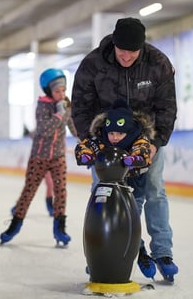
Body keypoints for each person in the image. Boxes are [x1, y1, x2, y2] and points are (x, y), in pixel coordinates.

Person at [71, 17, 179, 282]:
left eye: (133, 51)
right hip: (108, 140)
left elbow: (167, 107)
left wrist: (156, 143)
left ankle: (163, 252)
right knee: (103, 193)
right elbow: (80, 107)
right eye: (122, 51)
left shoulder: (158, 64)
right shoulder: (93, 65)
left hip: (147, 138)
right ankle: (99, 253)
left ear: (141, 47)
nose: (127, 56)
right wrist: (91, 141)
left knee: (154, 190)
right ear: (114, 44)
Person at [0, 68, 77, 246]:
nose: (62, 94)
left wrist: (85, 140)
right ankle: (14, 226)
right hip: (39, 157)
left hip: (58, 156)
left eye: (64, 90)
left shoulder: (66, 103)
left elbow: (72, 126)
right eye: (57, 91)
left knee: (61, 192)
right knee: (29, 191)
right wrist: (58, 114)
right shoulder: (42, 106)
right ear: (48, 90)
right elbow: (44, 130)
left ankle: (60, 229)